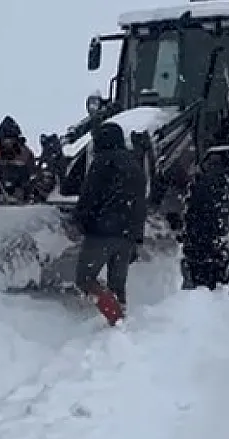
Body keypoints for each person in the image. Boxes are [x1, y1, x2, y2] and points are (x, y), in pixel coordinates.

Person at [72, 122, 147, 322]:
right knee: (117, 285)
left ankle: (115, 317)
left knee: (85, 279)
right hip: (127, 235)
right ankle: (119, 325)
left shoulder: (103, 161)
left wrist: (79, 220)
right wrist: (137, 237)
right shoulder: (135, 164)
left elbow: (90, 195)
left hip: (102, 233)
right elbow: (141, 204)